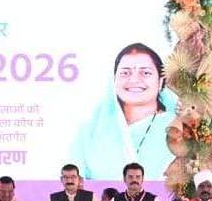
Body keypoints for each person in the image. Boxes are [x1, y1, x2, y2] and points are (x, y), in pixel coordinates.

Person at [72, 43, 177, 180]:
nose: (134, 80)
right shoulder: (90, 131)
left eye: (145, 73)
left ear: (161, 81)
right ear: (114, 80)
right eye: (125, 73)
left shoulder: (180, 128)